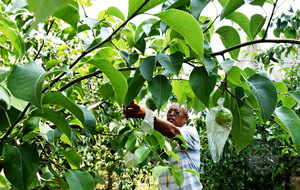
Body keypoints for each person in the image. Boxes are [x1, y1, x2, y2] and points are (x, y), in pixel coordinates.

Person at [124, 101, 202, 190]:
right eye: (169, 111)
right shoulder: (162, 141)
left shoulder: (191, 132)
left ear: (186, 118)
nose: (172, 114)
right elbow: (148, 157)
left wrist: (147, 115)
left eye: (177, 112)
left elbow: (174, 132)